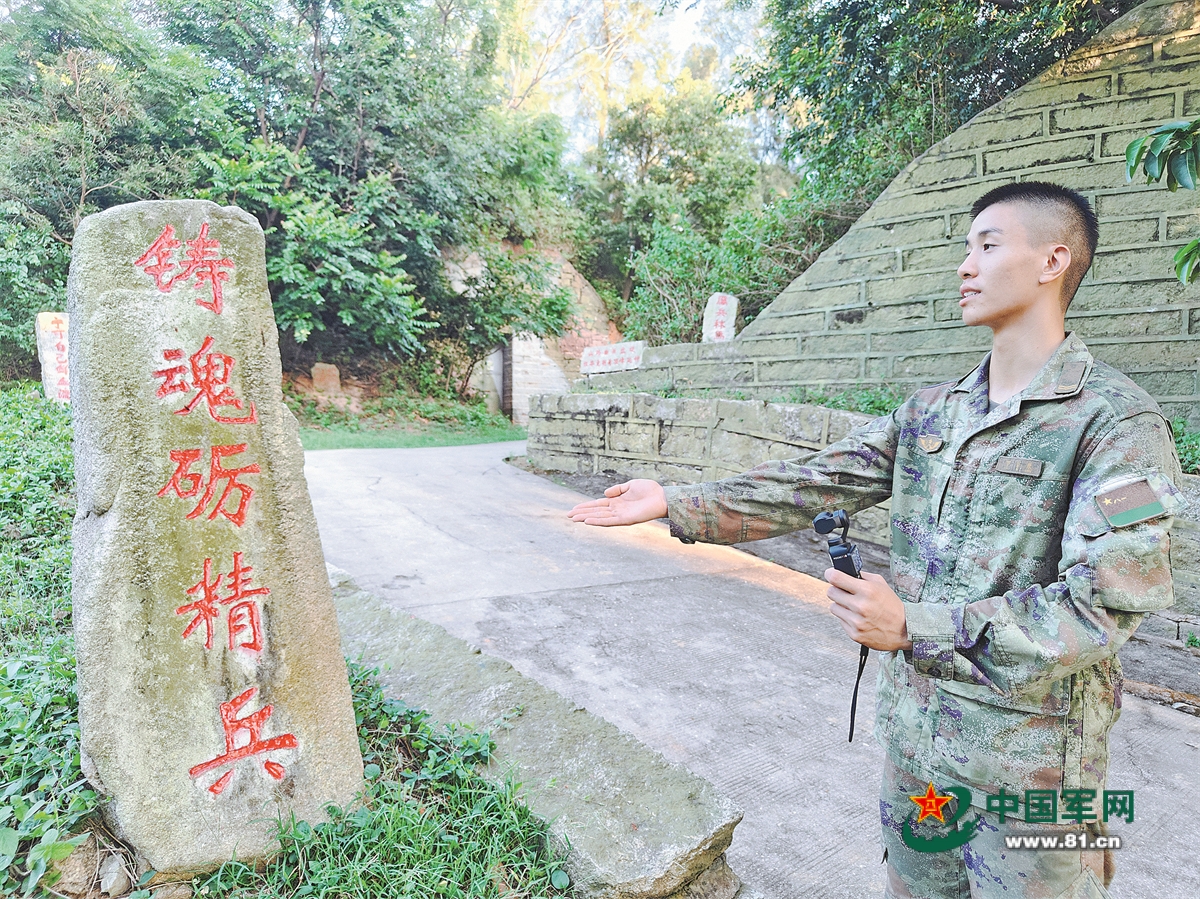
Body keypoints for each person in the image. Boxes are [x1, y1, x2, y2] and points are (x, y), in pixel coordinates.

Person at [567, 181, 1185, 899]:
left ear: (1053, 261)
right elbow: (818, 479)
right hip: (919, 747)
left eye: (988, 246)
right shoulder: (933, 412)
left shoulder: (1117, 424)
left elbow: (1099, 606)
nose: (965, 266)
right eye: (966, 248)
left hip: (1033, 772)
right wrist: (677, 501)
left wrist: (913, 625)